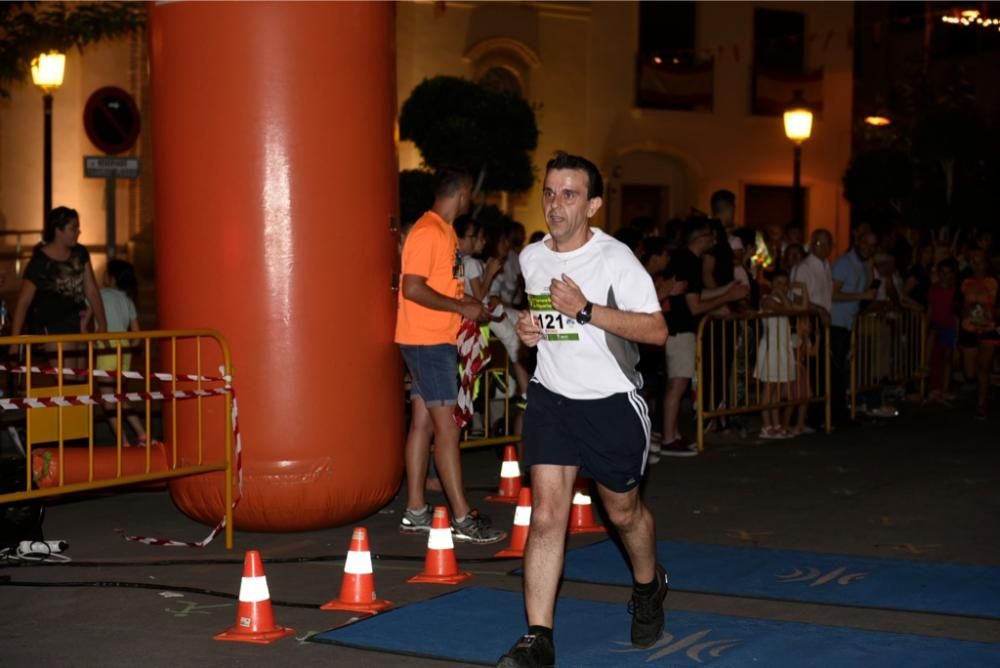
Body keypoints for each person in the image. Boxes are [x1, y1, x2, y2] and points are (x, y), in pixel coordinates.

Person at [497, 153, 669, 668]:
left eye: (569, 195)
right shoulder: (532, 259)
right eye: (550, 192)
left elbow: (657, 331)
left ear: (593, 204)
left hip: (611, 403)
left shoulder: (615, 260)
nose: (555, 205)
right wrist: (530, 330)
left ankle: (648, 586)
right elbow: (546, 324)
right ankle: (538, 638)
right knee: (547, 517)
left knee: (623, 513)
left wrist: (587, 310)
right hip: (553, 398)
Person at [395, 167, 504, 545]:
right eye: (470, 194)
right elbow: (412, 288)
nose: (473, 200)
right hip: (428, 341)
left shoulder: (445, 233)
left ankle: (415, 511)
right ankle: (461, 516)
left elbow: (446, 286)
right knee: (448, 428)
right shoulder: (428, 232)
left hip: (433, 340)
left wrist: (471, 305)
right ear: (460, 193)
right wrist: (461, 308)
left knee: (424, 425)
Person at [660, 217, 748, 456]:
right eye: (710, 235)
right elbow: (695, 306)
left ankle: (674, 434)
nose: (714, 239)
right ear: (700, 238)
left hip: (681, 328)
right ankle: (669, 438)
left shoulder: (690, 260)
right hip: (679, 328)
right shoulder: (687, 260)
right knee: (677, 384)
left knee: (680, 381)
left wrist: (728, 290)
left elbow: (699, 293)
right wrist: (728, 297)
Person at [10, 207, 107, 363]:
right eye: (73, 228)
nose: (78, 232)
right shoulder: (40, 262)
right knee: (66, 379)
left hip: (79, 322)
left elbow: (92, 290)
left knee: (81, 379)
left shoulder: (80, 253)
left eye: (78, 228)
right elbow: (23, 302)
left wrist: (102, 323)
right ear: (58, 230)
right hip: (54, 325)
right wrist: (14, 342)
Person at [95, 259, 149, 446]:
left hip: (106, 348)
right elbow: (137, 335)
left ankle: (123, 443)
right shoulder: (127, 299)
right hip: (124, 351)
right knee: (120, 396)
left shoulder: (99, 295)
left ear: (111, 277)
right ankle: (142, 434)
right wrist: (129, 347)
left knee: (108, 400)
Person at [830, 231, 878, 425]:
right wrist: (861, 296)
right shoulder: (844, 263)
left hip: (847, 322)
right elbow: (833, 294)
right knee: (836, 370)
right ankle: (835, 415)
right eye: (866, 243)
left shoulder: (860, 264)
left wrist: (869, 268)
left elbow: (865, 288)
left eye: (873, 245)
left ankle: (840, 413)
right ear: (858, 242)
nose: (869, 248)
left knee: (842, 369)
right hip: (836, 322)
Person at [755, 270, 807, 438]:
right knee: (769, 388)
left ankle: (776, 423)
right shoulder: (766, 300)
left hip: (782, 348)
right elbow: (786, 310)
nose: (782, 287)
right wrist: (782, 294)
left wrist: (803, 288)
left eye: (785, 283)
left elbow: (802, 308)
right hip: (771, 347)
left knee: (778, 388)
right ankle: (766, 425)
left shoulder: (784, 299)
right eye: (778, 283)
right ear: (771, 284)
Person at [957, 249, 998, 419]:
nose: (976, 264)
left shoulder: (994, 282)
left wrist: (991, 313)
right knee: (970, 372)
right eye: (973, 260)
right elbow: (958, 304)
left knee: (984, 368)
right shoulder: (965, 282)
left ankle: (981, 404)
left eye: (979, 260)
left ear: (986, 263)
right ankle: (976, 388)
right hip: (969, 327)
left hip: (989, 328)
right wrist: (967, 310)